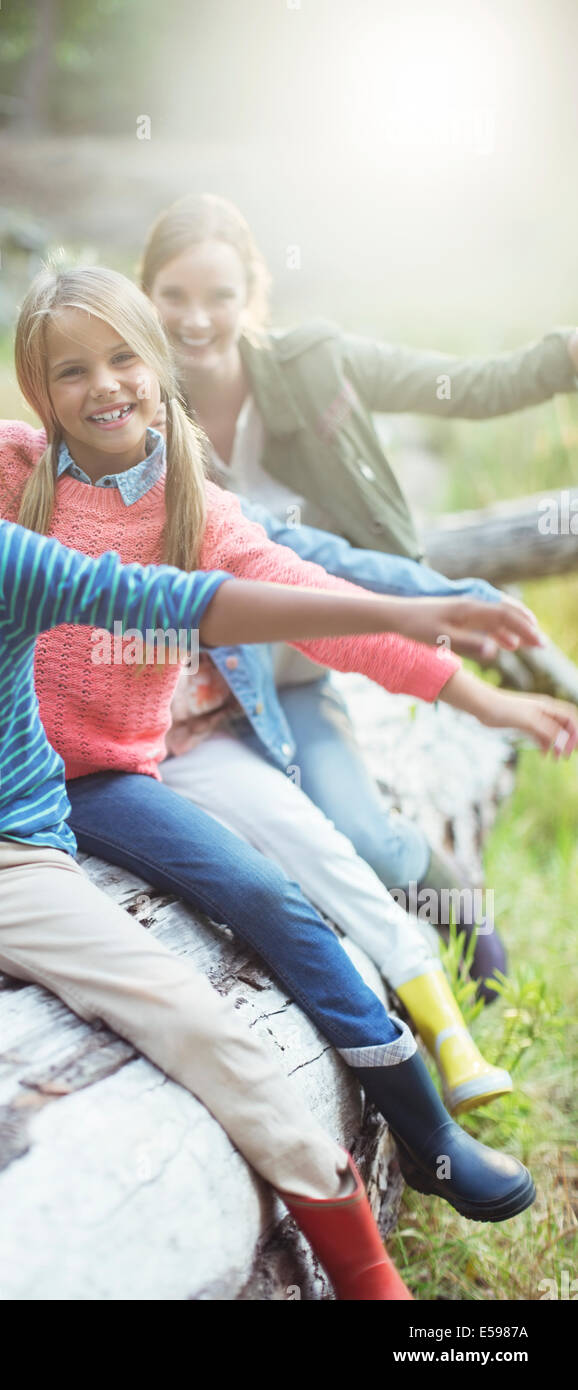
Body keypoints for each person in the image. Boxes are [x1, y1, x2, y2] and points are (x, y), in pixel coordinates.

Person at [0, 284, 566, 1227]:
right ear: (38, 390)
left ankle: (424, 1126)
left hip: (106, 777)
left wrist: (473, 691)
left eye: (124, 359)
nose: (104, 387)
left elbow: (316, 605)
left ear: (160, 366)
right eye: (70, 370)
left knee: (268, 895)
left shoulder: (197, 511)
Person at [139, 191, 578, 1002]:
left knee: (365, 836)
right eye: (174, 297)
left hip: (314, 652)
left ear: (253, 294)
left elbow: (469, 387)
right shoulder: (133, 408)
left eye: (219, 297)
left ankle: (466, 926)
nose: (195, 319)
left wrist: (564, 357)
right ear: (147, 297)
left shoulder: (317, 365)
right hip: (195, 687)